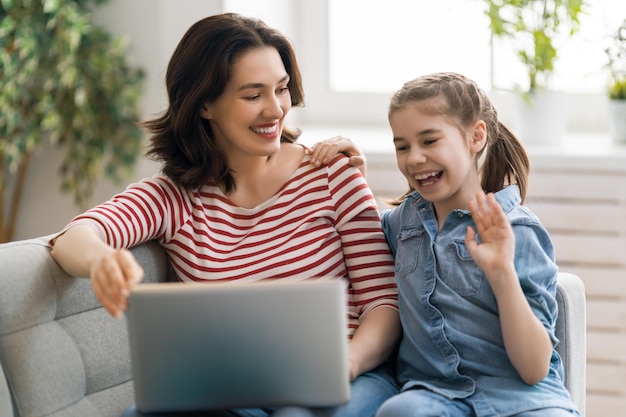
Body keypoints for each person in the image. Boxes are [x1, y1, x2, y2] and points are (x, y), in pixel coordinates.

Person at [49, 13, 401, 417]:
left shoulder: (332, 172)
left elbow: (383, 305)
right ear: (204, 104)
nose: (275, 110)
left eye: (282, 89)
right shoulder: (174, 198)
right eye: (253, 96)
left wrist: (348, 363)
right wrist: (101, 260)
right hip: (238, 387)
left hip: (350, 376)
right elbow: (73, 237)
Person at [322, 72, 580, 417]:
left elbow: (534, 369)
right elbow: (359, 236)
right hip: (433, 395)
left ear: (476, 137)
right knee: (399, 412)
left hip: (520, 399)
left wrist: (501, 274)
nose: (413, 158)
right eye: (402, 146)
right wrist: (354, 176)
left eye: (429, 141)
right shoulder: (404, 223)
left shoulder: (518, 231)